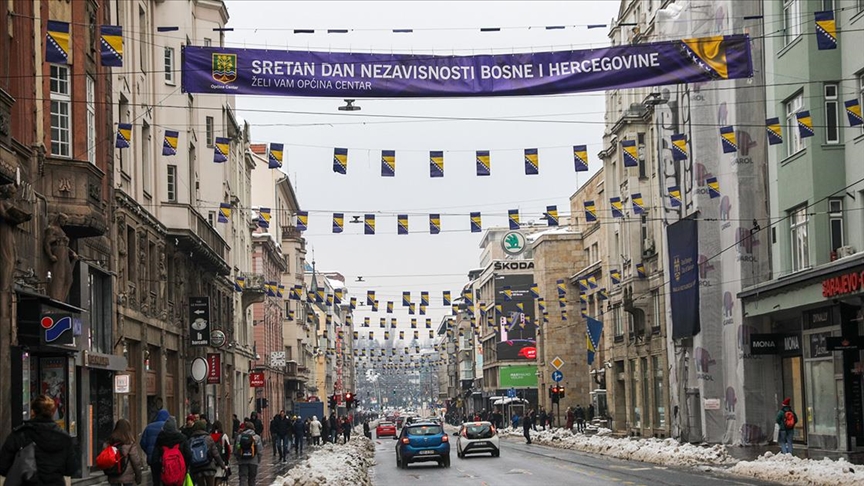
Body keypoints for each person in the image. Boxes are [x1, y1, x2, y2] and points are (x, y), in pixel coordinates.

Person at [0, 395, 77, 486]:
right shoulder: (64, 437)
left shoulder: (20, 434)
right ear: (52, 412)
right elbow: (71, 469)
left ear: (33, 412)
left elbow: (3, 466)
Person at [104, 418, 145, 486]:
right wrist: (138, 477)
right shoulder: (130, 443)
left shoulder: (109, 442)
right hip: (127, 478)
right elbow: (136, 461)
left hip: (113, 476)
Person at [153, 417, 192, 486]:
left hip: (166, 472)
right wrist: (185, 468)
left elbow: (155, 459)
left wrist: (159, 472)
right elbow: (188, 455)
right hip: (180, 471)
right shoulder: (182, 438)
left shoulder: (160, 439)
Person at [188, 420, 226, 486]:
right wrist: (222, 466)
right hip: (209, 467)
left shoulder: (191, 440)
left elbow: (189, 455)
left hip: (197, 469)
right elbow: (216, 454)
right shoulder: (208, 438)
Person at [140, 409, 170, 486]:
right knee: (166, 478)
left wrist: (149, 452)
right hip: (166, 458)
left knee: (155, 479)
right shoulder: (168, 427)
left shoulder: (149, 427)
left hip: (153, 458)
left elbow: (142, 443)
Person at [235, 421, 263, 486]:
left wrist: (238, 457)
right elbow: (259, 450)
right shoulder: (257, 437)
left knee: (243, 478)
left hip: (242, 460)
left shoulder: (240, 437)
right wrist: (258, 460)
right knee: (252, 479)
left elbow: (237, 447)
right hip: (253, 461)